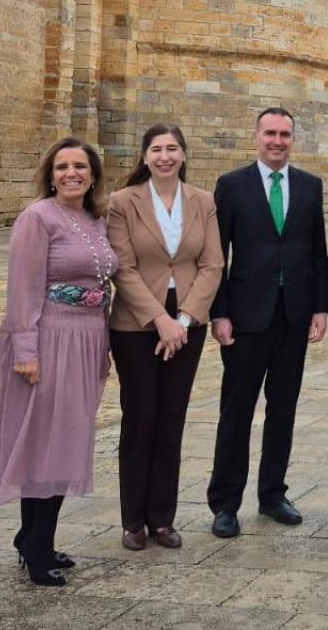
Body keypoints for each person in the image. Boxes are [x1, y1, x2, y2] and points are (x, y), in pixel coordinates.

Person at [0, 137, 116, 588]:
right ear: (50, 174)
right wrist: (26, 351)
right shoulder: (37, 218)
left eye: (80, 166)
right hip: (49, 338)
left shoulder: (95, 220)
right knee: (43, 444)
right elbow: (22, 288)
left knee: (65, 441)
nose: (71, 173)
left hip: (87, 338)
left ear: (93, 175)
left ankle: (32, 537)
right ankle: (36, 548)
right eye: (62, 166)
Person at [207, 108, 328, 538]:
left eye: (285, 134)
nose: (278, 141)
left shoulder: (310, 186)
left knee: (283, 408)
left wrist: (320, 307)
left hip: (293, 316)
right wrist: (218, 311)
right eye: (270, 133)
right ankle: (225, 502)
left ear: (294, 139)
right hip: (245, 316)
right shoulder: (232, 185)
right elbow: (215, 256)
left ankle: (273, 493)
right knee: (236, 410)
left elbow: (318, 252)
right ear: (256, 136)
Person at [104, 124, 222, 550]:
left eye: (173, 148)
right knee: (140, 416)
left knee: (172, 417)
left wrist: (186, 318)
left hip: (188, 323)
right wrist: (161, 319)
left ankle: (162, 518)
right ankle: (132, 519)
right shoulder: (123, 202)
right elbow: (123, 267)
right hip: (136, 325)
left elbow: (212, 265)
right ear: (145, 156)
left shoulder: (203, 201)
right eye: (156, 149)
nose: (165, 156)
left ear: (184, 155)